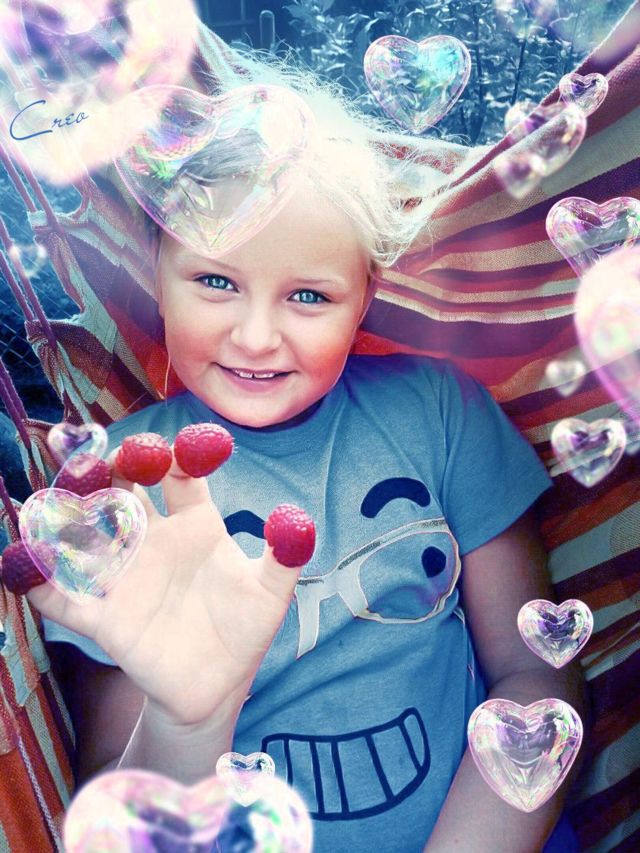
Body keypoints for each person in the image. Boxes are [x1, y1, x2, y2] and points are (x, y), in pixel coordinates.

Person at [25, 51, 585, 852]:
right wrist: (188, 718)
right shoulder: (121, 479)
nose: (256, 336)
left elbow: (537, 675)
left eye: (310, 295)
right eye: (216, 281)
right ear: (156, 270)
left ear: (367, 298)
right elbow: (120, 804)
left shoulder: (440, 412)